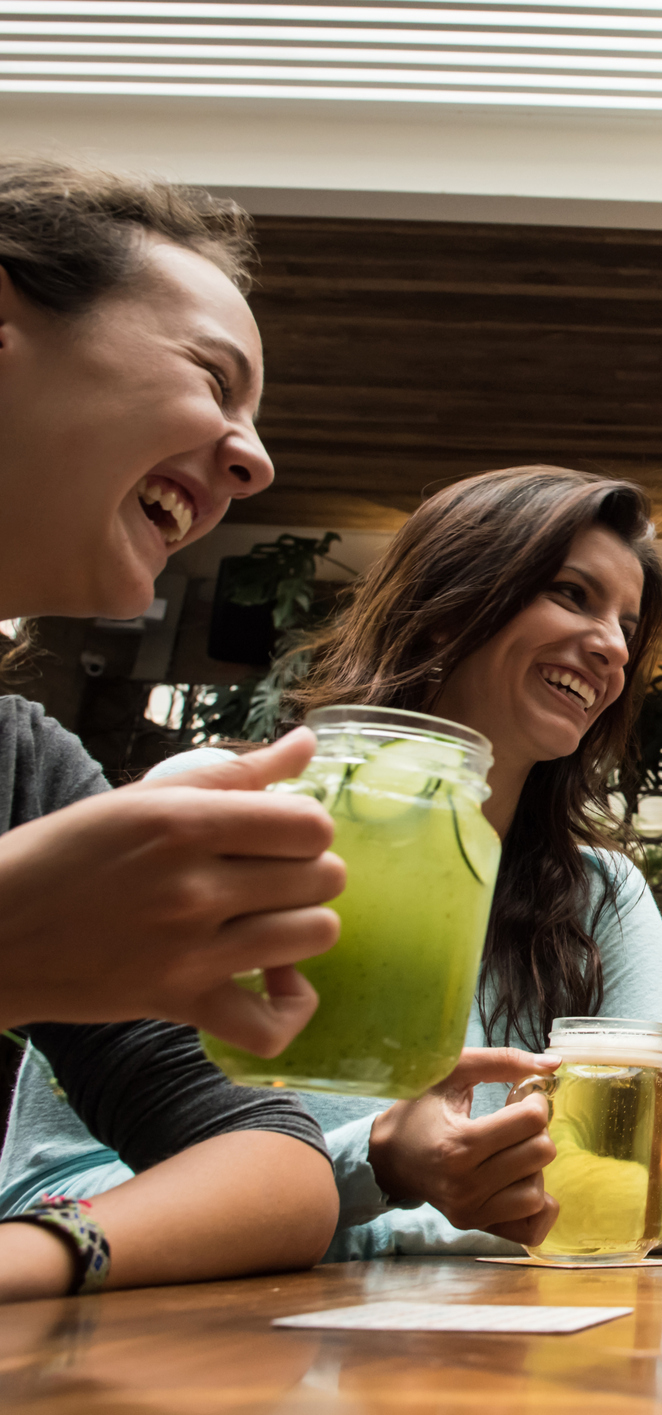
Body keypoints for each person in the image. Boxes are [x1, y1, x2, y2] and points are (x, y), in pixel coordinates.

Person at [3, 467, 662, 1259]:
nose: (612, 647)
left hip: (509, 1368)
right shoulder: (226, 827)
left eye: (627, 624)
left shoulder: (597, 894)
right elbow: (52, 1184)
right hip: (201, 1362)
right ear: (445, 610)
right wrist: (377, 1169)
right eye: (571, 594)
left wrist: (337, 1215)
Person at [0, 156, 345, 1300]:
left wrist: (46, 1251)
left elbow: (282, 1169)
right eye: (214, 378)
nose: (255, 462)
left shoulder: (27, 767)